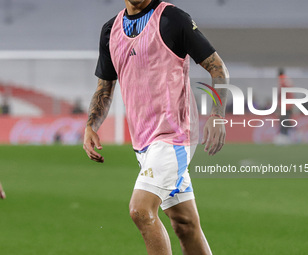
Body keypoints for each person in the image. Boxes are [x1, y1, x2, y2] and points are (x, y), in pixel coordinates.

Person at [83, 0, 228, 254]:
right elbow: (104, 87)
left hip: (174, 137)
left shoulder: (172, 19)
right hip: (144, 145)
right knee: (185, 224)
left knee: (140, 210)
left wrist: (217, 115)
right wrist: (91, 125)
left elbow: (218, 68)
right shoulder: (110, 30)